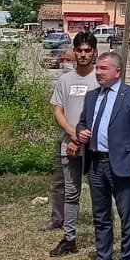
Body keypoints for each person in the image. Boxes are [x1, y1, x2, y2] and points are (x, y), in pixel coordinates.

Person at [73, 51, 130, 260]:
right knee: (101, 215)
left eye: (104, 68)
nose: (98, 72)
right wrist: (81, 132)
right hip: (95, 162)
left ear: (118, 71)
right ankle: (103, 258)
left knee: (127, 215)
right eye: (97, 68)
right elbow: (82, 123)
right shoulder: (91, 96)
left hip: (122, 164)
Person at [45, 34, 99, 256]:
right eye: (80, 50)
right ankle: (69, 237)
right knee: (71, 192)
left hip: (96, 146)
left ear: (94, 52)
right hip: (69, 144)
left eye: (87, 50)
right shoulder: (64, 80)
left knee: (100, 192)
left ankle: (104, 237)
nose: (83, 54)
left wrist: (84, 137)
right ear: (73, 52)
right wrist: (72, 134)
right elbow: (57, 109)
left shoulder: (100, 78)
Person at [42, 46, 79, 234]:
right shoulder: (63, 81)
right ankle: (58, 218)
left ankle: (105, 219)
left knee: (100, 183)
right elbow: (57, 108)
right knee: (60, 180)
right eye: (64, 60)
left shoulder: (93, 79)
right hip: (65, 136)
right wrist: (69, 131)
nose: (67, 64)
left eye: (69, 61)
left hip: (88, 138)